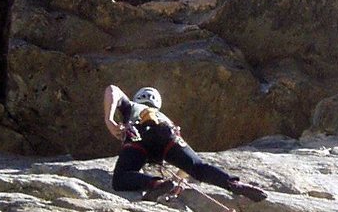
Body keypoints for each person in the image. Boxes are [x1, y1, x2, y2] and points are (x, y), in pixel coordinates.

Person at [103, 84, 267, 202]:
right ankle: (232, 183)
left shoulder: (132, 106)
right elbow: (188, 165)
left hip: (140, 136)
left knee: (121, 178)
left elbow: (112, 89)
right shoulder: (163, 117)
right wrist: (179, 182)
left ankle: (156, 183)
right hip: (169, 135)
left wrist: (109, 120)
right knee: (198, 167)